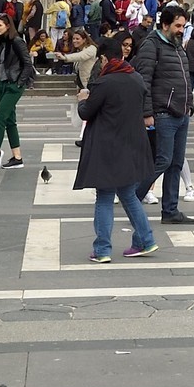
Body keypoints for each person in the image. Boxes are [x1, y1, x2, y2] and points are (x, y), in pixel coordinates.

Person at [76, 31, 157, 260]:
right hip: (132, 144)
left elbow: (87, 112)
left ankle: (102, 249)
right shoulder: (136, 77)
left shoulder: (105, 82)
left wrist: (83, 99)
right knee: (129, 195)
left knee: (103, 196)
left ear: (103, 59)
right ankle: (146, 240)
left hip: (108, 147)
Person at [135, 4, 194, 224]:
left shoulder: (178, 46)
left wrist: (189, 103)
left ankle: (170, 210)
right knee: (163, 160)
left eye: (183, 26)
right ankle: (133, 199)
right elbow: (144, 79)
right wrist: (146, 112)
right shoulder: (151, 45)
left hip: (181, 112)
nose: (181, 30)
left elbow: (185, 78)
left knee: (176, 163)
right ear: (165, 25)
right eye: (178, 25)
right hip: (163, 113)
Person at [0, 12, 33, 172]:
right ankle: (17, 157)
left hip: (14, 84)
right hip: (3, 85)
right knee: (10, 121)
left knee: (0, 117)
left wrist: (19, 84)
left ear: (7, 26)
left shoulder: (17, 41)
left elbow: (28, 64)